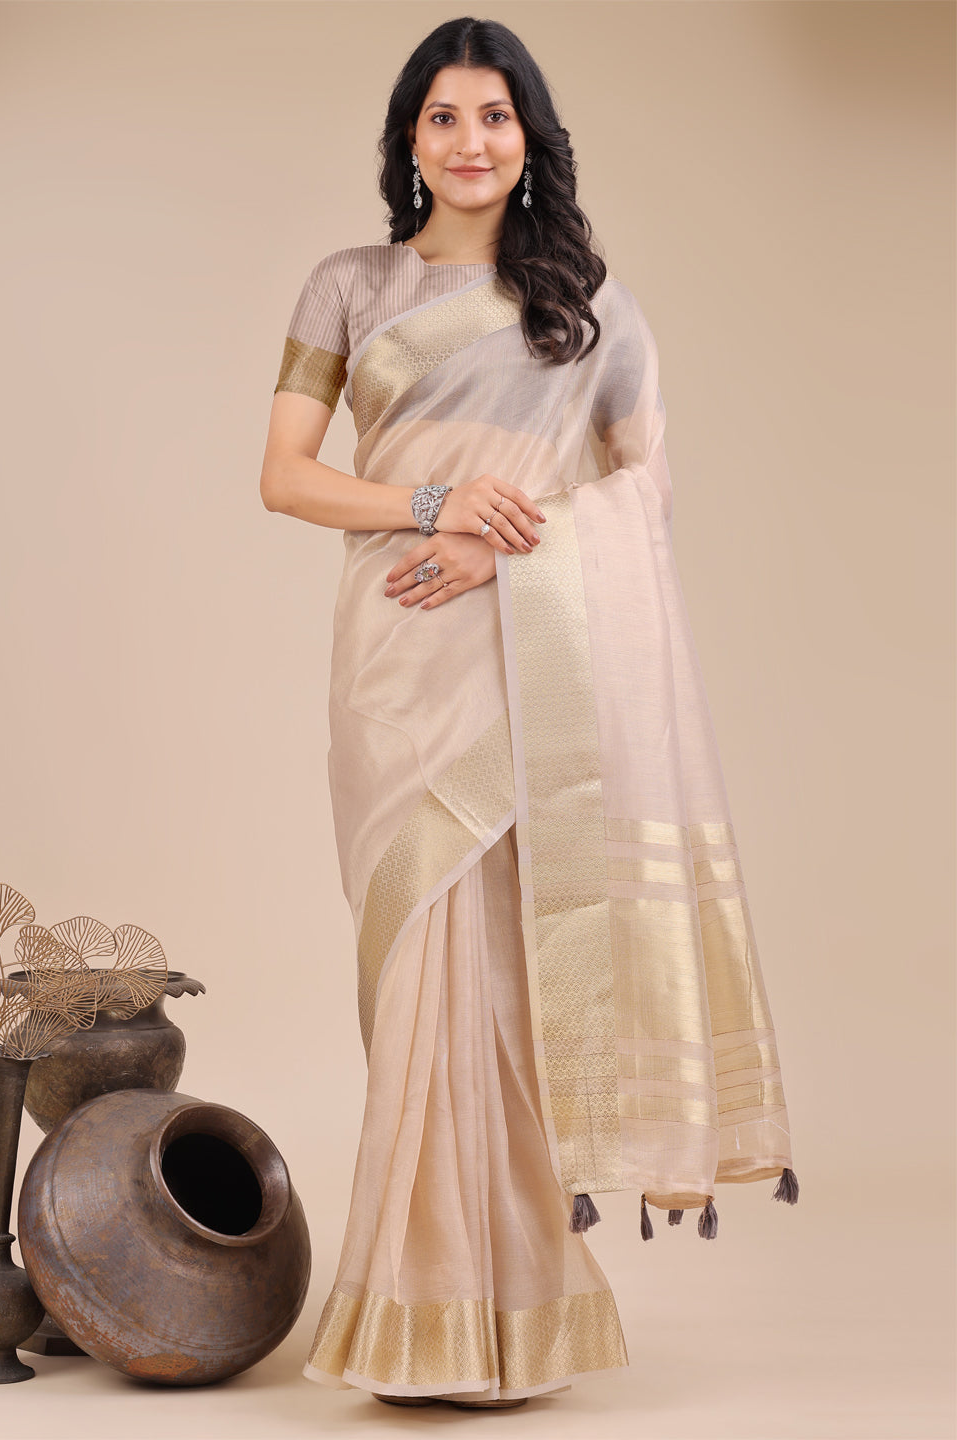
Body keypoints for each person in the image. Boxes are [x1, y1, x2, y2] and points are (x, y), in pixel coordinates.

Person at [259, 15, 798, 1412]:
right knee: (415, 970)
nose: (470, 141)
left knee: (500, 967)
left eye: (494, 116)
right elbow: (287, 477)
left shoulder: (589, 304)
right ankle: (423, 1306)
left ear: (530, 137)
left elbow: (643, 493)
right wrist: (433, 504)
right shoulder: (351, 285)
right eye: (443, 117)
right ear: (410, 138)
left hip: (531, 652)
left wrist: (507, 549)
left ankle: (508, 1310)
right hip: (399, 648)